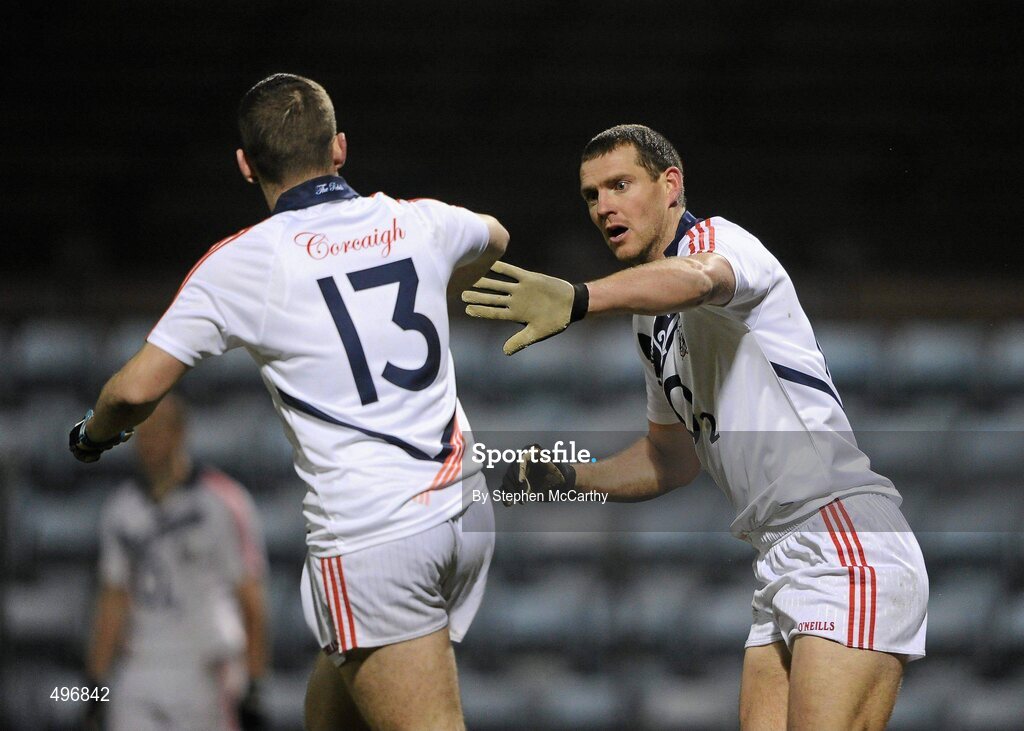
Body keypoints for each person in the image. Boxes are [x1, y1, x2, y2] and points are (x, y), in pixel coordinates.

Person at [69, 73, 508, 731]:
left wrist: (93, 434)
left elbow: (133, 389)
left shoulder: (245, 261)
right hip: (463, 510)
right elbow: (496, 236)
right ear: (339, 148)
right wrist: (438, 283)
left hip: (374, 534)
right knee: (327, 716)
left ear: (246, 166)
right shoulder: (418, 218)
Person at [463, 124, 928, 730]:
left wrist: (580, 298)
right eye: (591, 195)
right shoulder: (648, 323)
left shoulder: (717, 241)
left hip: (842, 534)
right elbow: (670, 458)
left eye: (620, 184)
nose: (604, 206)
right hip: (778, 557)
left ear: (670, 185)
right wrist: (565, 475)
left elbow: (699, 278)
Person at [84, 394, 269, 731]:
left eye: (158, 431)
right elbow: (113, 600)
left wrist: (254, 685)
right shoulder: (120, 509)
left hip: (206, 668)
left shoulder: (224, 502)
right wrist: (95, 686)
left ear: (180, 433)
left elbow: (251, 599)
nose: (148, 443)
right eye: (143, 434)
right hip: (139, 667)